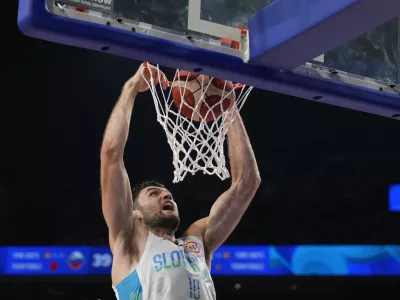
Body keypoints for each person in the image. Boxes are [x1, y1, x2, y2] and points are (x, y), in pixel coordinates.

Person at [100, 63, 261, 300]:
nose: (166, 196)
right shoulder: (128, 243)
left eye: (167, 194)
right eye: (153, 194)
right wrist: (131, 87)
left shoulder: (197, 241)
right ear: (137, 214)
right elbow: (111, 155)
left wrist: (228, 106)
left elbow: (247, 183)